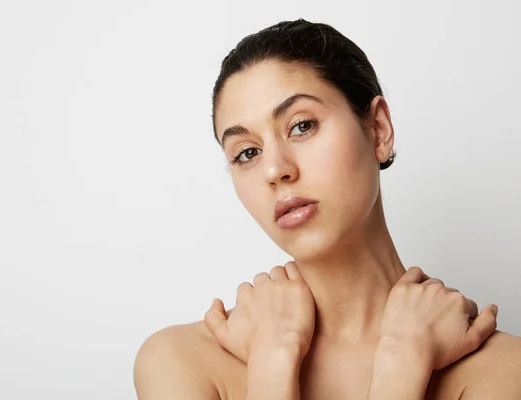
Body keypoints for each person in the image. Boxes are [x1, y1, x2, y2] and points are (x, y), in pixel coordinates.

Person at [133, 19, 521, 399]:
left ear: (379, 130)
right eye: (247, 153)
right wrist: (274, 359)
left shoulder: (502, 369)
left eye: (301, 126)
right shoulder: (180, 360)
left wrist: (403, 357)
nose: (275, 170)